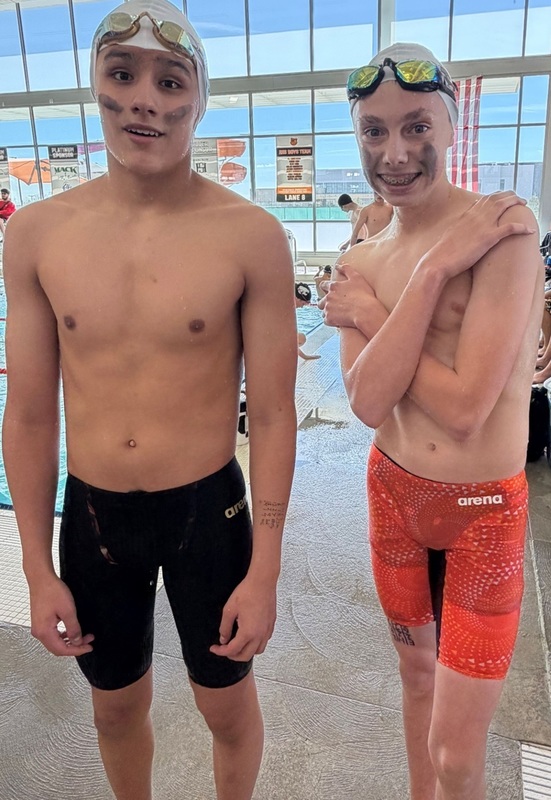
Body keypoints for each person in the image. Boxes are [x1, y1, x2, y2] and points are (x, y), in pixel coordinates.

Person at [2, 2, 297, 799]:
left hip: (210, 512)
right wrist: (35, 566)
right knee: (112, 710)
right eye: (122, 75)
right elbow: (30, 415)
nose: (145, 99)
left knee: (225, 707)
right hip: (95, 517)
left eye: (171, 80)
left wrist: (265, 570)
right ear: (95, 87)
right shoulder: (36, 234)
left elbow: (271, 417)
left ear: (199, 101)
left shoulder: (251, 236)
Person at [321, 42, 542, 800]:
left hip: (484, 512)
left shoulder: (505, 233)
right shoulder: (361, 258)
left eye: (415, 126)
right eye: (373, 132)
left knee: (456, 756)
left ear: (449, 124)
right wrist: (432, 274)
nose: (395, 152)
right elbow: (364, 402)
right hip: (393, 496)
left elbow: (462, 409)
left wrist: (381, 311)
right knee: (414, 684)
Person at [295, 283, 321, 361]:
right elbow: (290, 341)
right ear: (297, 298)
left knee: (301, 338)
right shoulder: (285, 311)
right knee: (300, 338)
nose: (302, 306)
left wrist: (305, 357)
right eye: (302, 303)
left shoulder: (288, 309)